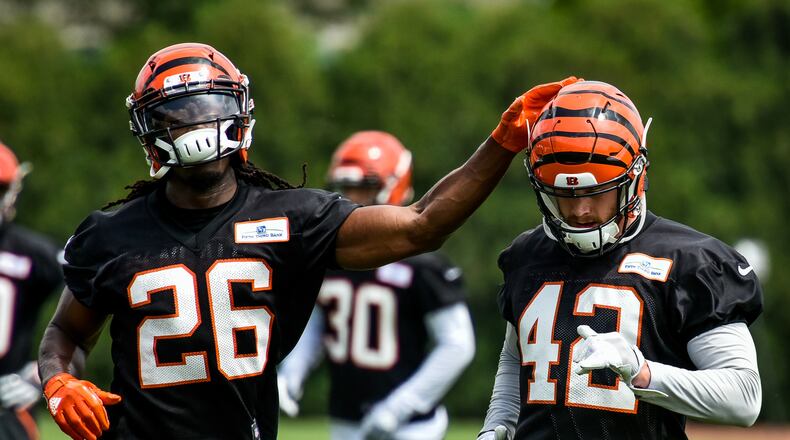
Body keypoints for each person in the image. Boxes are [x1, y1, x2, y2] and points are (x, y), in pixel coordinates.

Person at [36, 42, 572, 440]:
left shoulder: (291, 218)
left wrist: (502, 143)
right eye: (181, 116)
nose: (198, 126)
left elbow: (422, 224)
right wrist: (59, 380)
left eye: (209, 108)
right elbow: (65, 333)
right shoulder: (110, 234)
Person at [477, 80, 763, 440]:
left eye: (598, 193)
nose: (580, 210)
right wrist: (497, 425)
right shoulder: (527, 255)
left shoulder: (693, 261)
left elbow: (744, 397)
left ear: (635, 176)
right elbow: (516, 360)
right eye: (565, 194)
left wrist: (642, 372)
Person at [277, 131, 475, 440]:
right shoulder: (328, 255)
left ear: (394, 188)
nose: (352, 200)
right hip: (344, 418)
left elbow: (457, 345)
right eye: (345, 188)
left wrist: (399, 407)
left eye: (363, 189)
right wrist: (290, 374)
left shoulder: (422, 266)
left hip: (410, 426)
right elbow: (317, 325)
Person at [0, 141, 63, 440]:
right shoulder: (30, 252)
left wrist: (40, 374)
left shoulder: (34, 253)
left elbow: (85, 311)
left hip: (6, 403)